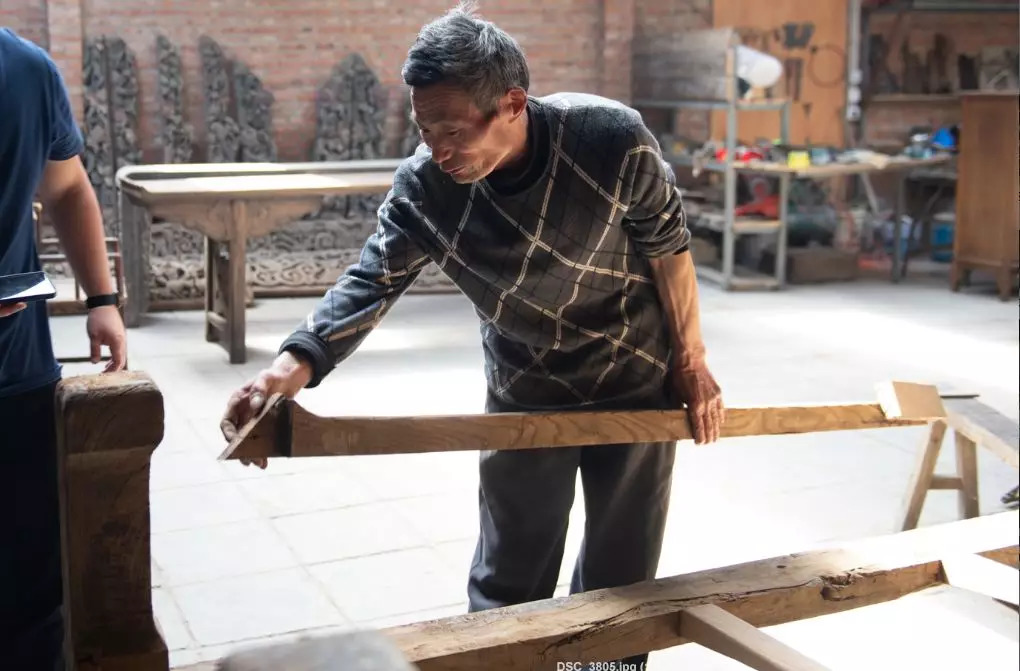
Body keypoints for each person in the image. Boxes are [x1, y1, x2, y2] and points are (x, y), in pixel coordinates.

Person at [221, 3, 723, 667]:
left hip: (633, 373)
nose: (439, 149)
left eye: (454, 130)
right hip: (525, 385)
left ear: (512, 104)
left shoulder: (610, 139)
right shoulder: (427, 187)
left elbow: (669, 247)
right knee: (510, 575)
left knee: (621, 581)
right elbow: (370, 281)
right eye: (425, 129)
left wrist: (692, 360)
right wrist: (285, 370)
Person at [1, 27, 128, 670]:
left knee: (30, 592)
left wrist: (101, 299)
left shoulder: (26, 70)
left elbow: (68, 187)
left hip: (18, 373)